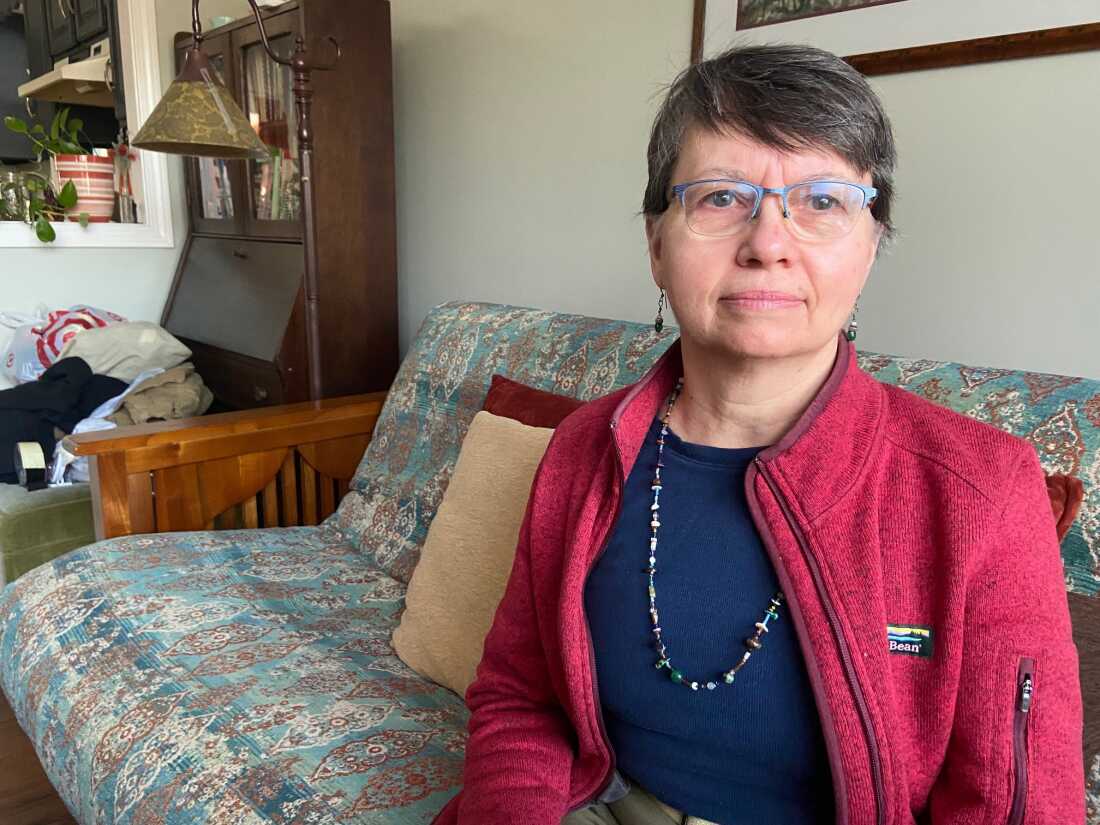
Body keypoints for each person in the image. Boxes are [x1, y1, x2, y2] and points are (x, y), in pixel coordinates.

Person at [434, 43, 1084, 825]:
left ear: (871, 245)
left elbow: (1013, 804)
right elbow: (521, 694)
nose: (768, 242)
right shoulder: (583, 448)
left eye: (822, 201)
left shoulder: (985, 488)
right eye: (719, 197)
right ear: (655, 244)